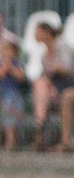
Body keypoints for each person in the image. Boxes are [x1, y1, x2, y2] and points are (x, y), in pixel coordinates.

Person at [30, 20, 74, 152]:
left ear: (47, 33)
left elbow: (68, 69)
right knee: (40, 85)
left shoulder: (63, 47)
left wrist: (55, 67)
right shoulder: (44, 55)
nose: (35, 35)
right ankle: (40, 129)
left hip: (70, 84)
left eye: (38, 32)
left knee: (66, 97)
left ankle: (65, 141)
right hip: (56, 87)